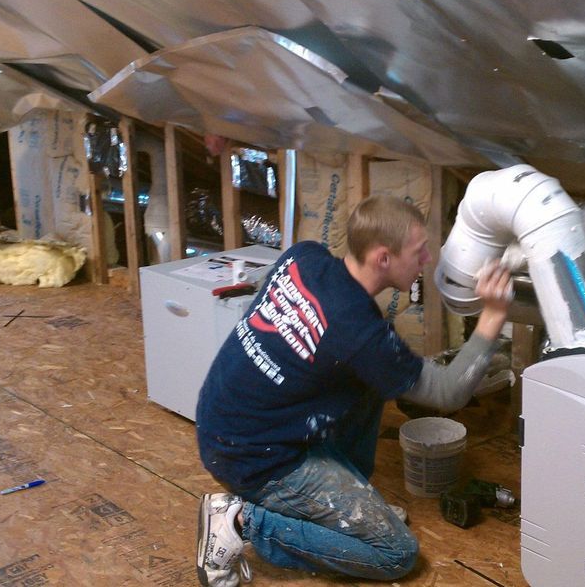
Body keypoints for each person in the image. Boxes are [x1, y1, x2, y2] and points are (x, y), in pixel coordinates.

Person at [195, 195, 512, 586]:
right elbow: (448, 392)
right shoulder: (360, 333)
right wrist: (494, 315)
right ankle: (242, 521)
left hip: (222, 421)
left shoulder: (304, 256)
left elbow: (268, 290)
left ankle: (349, 514)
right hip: (255, 459)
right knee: (396, 554)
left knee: (371, 380)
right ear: (383, 258)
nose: (427, 261)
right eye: (419, 252)